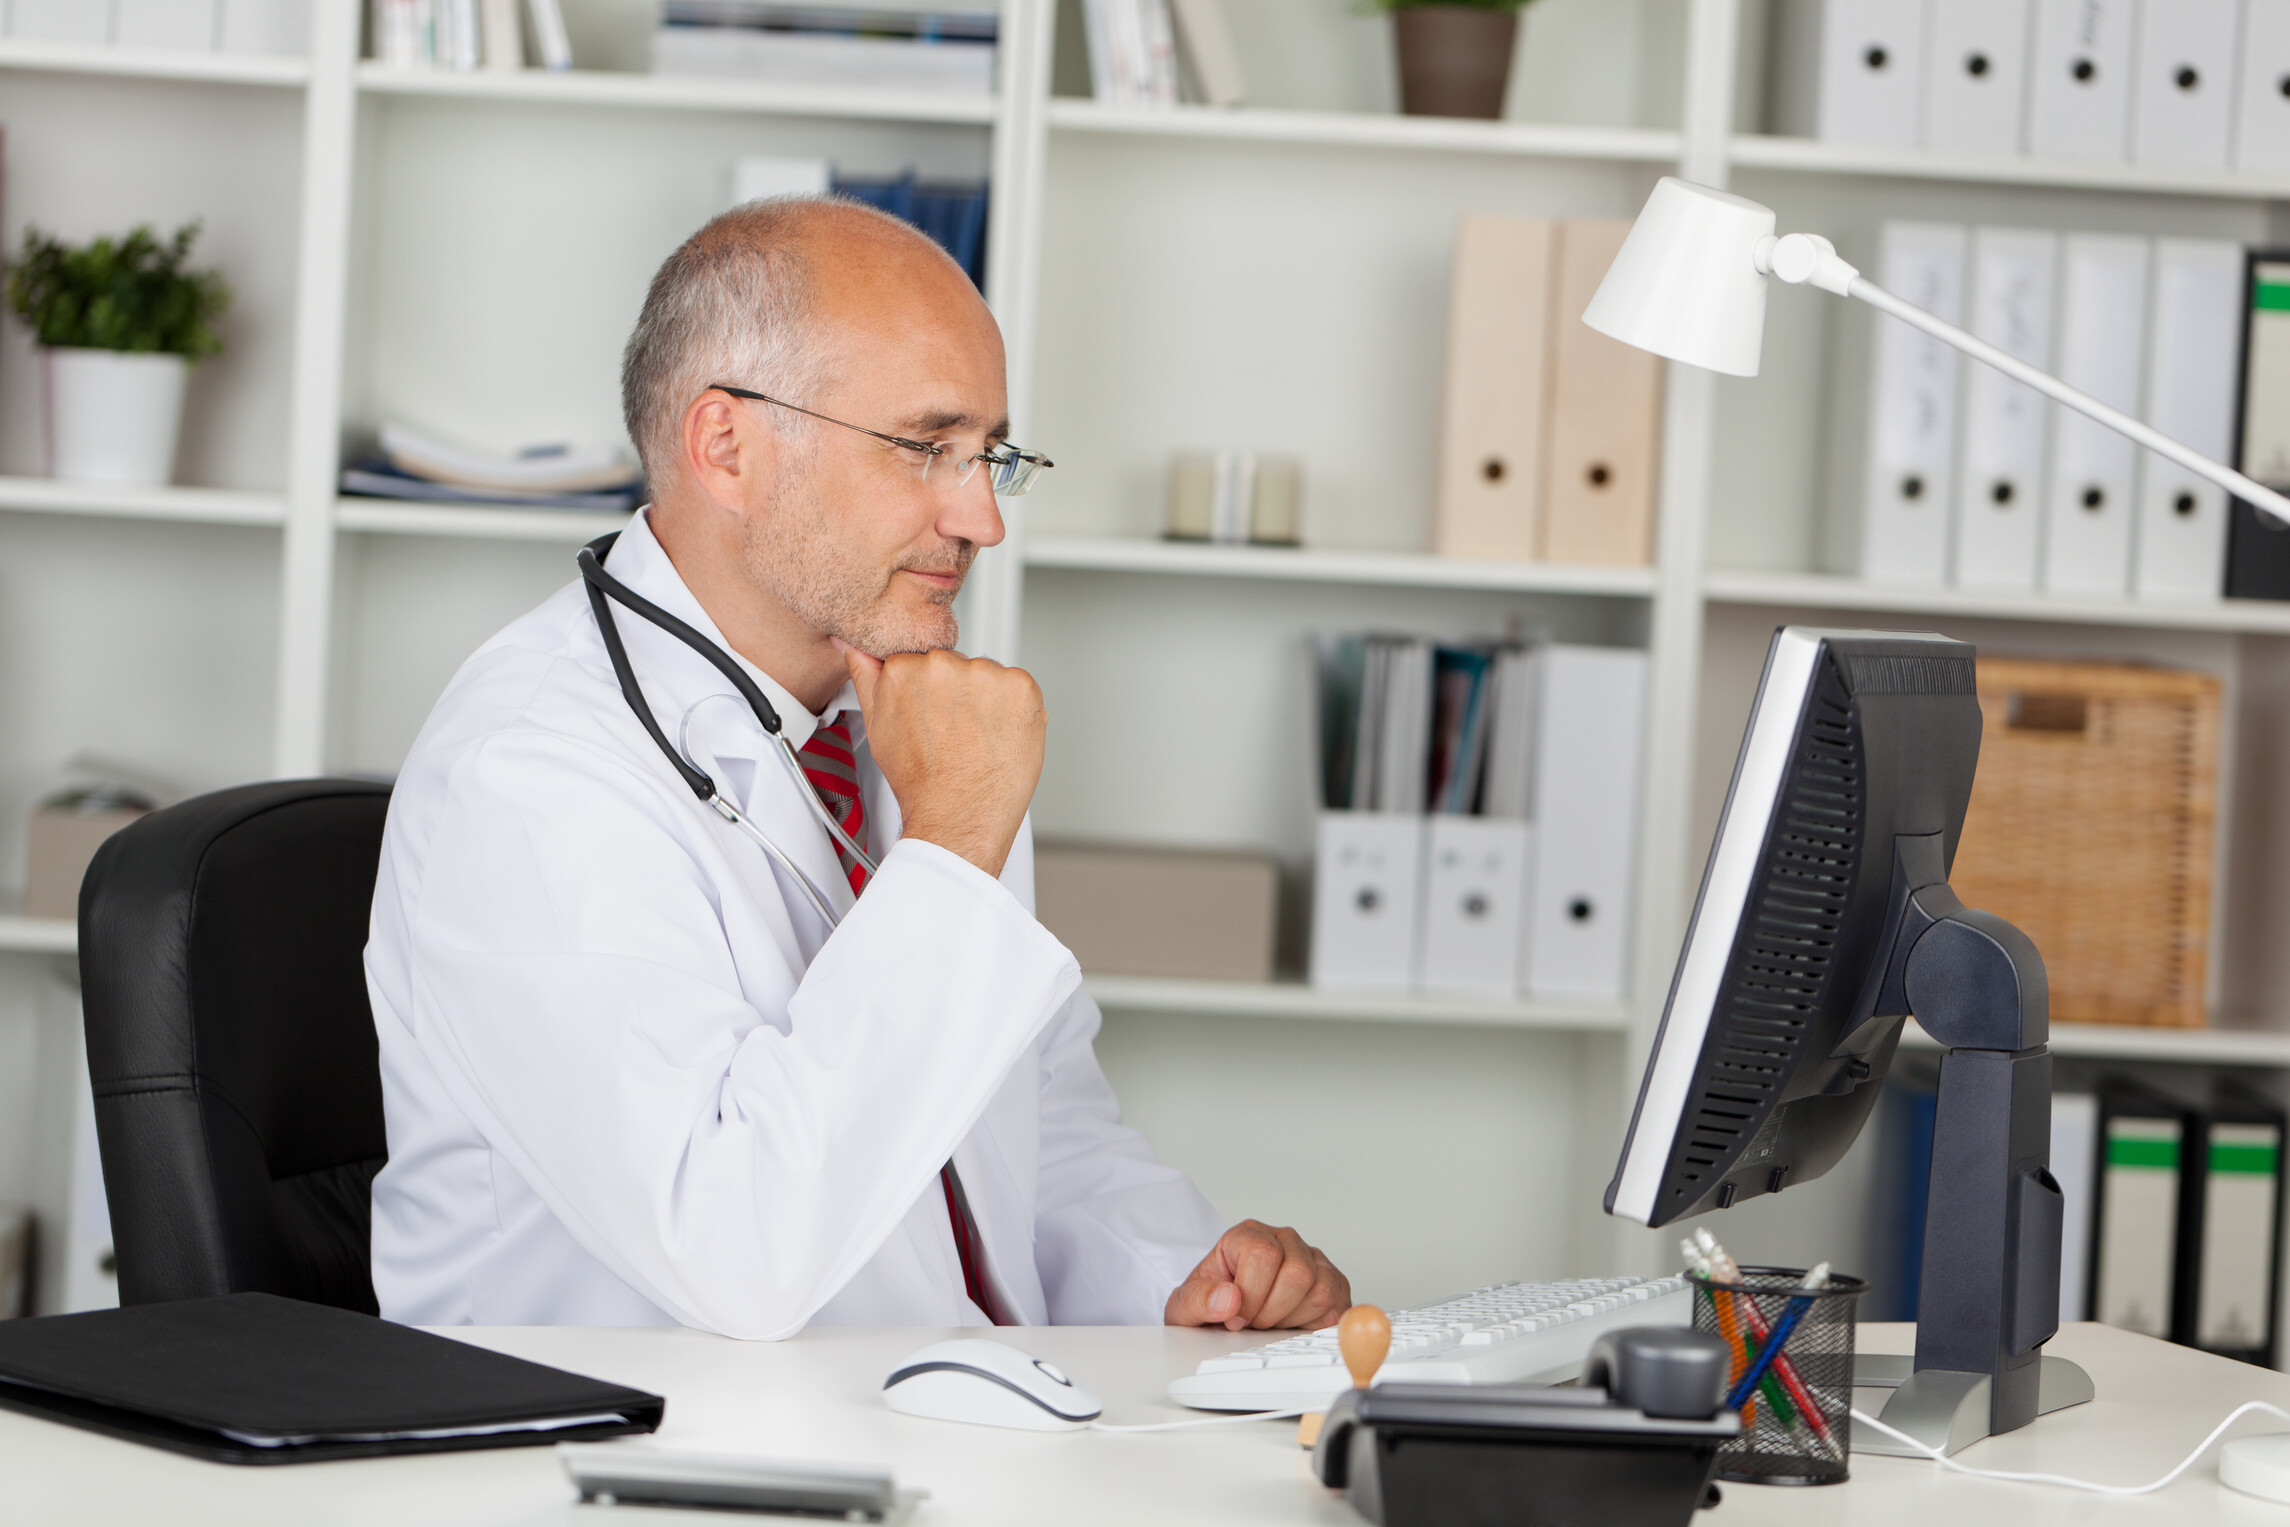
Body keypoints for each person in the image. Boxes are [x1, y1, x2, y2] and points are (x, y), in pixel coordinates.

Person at [364, 197, 1352, 1339]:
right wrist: (951, 842)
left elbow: (1040, 1134)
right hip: (649, 1433)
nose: (982, 519)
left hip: (931, 1408)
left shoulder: (904, 726)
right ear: (726, 447)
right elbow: (735, 1249)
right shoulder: (530, 775)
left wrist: (1190, 1285)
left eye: (990, 457)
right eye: (927, 447)